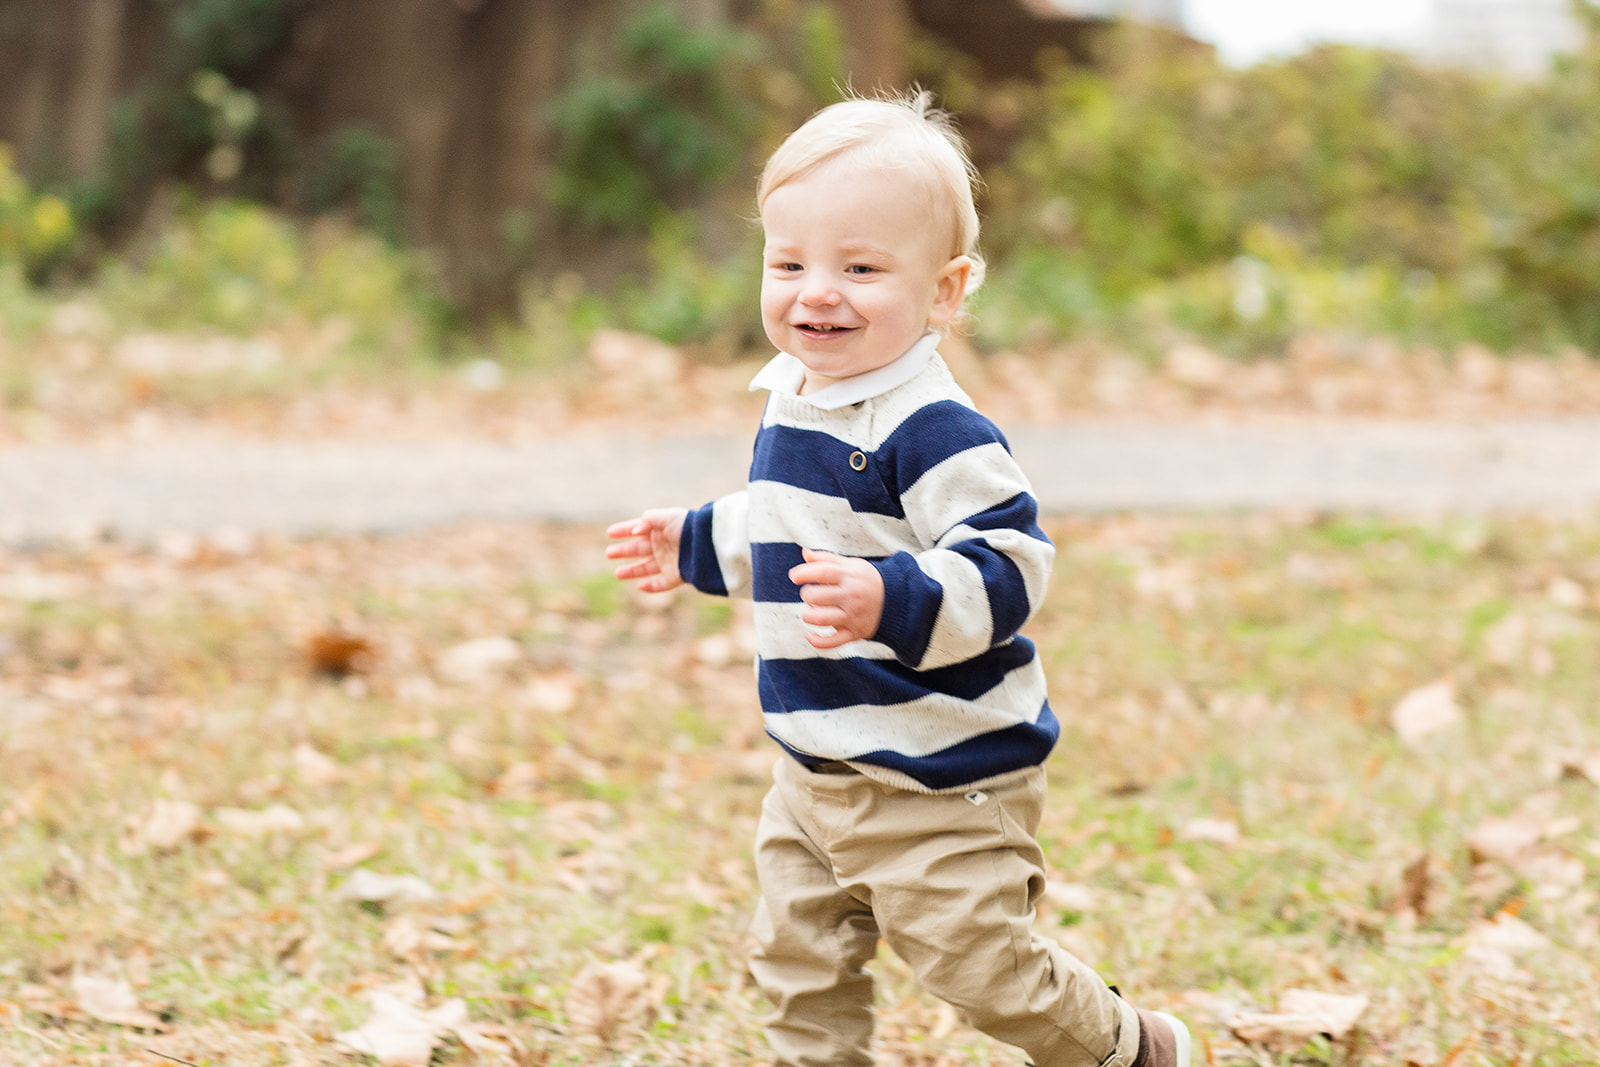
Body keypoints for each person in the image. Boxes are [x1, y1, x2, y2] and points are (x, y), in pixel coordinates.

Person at [606, 90, 1191, 1067]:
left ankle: (1134, 1046)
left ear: (943, 290)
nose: (815, 292)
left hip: (941, 774)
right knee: (796, 957)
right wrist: (696, 538)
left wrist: (894, 596)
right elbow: (795, 523)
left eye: (860, 267)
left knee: (981, 969)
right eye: (787, 262)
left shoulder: (934, 427)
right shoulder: (800, 398)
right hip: (816, 762)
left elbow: (1009, 563)